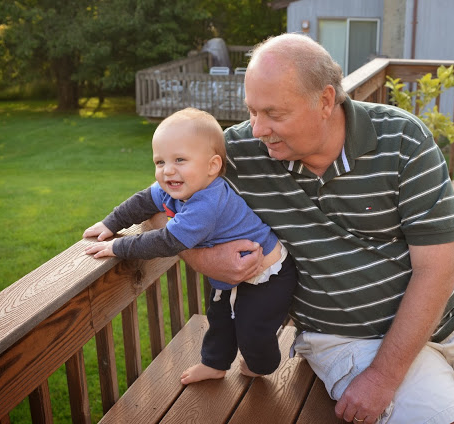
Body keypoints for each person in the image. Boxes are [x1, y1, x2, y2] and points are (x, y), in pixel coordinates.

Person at [179, 33, 454, 424]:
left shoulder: (403, 139)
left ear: (325, 101)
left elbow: (436, 269)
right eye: (252, 111)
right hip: (348, 336)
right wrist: (202, 258)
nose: (257, 128)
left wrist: (382, 378)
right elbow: (158, 206)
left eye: (274, 113)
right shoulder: (237, 154)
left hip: (451, 316)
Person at [82, 107, 297, 385]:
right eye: (160, 162)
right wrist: (110, 224)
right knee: (219, 318)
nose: (168, 170)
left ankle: (262, 364)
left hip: (268, 276)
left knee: (251, 328)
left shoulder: (207, 202)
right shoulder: (176, 187)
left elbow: (169, 241)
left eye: (180, 160)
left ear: (212, 166)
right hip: (230, 272)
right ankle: (214, 364)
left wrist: (118, 247)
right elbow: (143, 200)